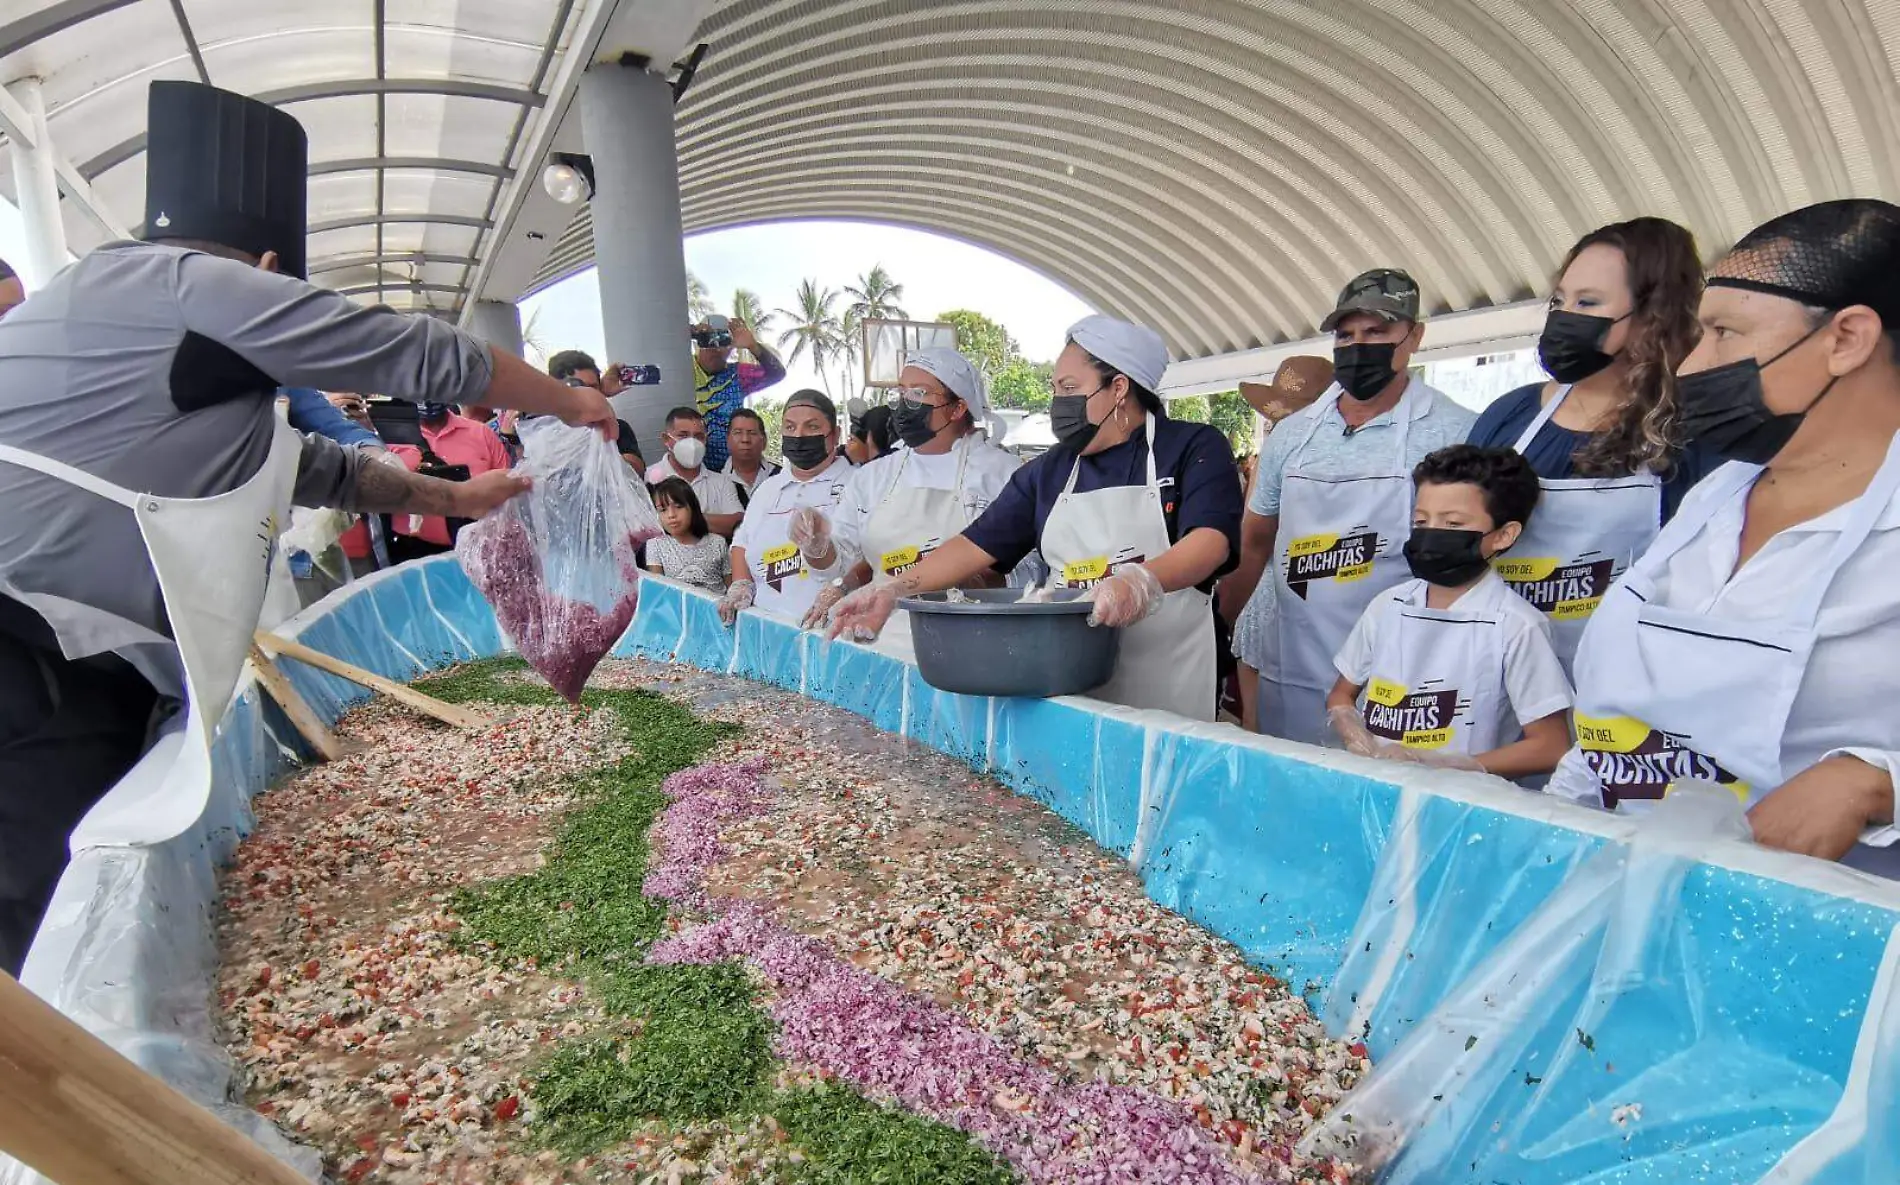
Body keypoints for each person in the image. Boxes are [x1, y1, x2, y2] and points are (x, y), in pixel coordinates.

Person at [0, 80, 615, 974]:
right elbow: (413, 350)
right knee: (22, 910)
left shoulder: (136, 338)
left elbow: (312, 467)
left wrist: (457, 500)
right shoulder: (179, 281)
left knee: (43, 917)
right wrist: (568, 399)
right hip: (30, 656)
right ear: (262, 265)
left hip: (76, 666)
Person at [1549, 199, 1900, 870]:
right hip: (1634, 881)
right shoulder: (1716, 495)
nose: (1689, 365)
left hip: (1838, 928)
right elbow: (1615, 723)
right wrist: (1553, 826)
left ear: (1848, 338)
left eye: (1725, 334)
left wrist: (1876, 780)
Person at [827, 315, 1244, 722]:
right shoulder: (1051, 470)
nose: (1057, 401)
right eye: (1054, 387)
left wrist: (1141, 580)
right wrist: (893, 588)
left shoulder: (1191, 447)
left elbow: (1210, 542)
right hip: (1071, 683)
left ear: (1119, 388)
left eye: (1069, 387)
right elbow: (974, 545)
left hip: (1168, 682)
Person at [1220, 268, 1477, 745]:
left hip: (1399, 678)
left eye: (1377, 332)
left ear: (1414, 336)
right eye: (1347, 335)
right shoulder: (1294, 436)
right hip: (1292, 668)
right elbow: (1254, 541)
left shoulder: (1455, 430)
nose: (1359, 346)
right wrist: (1228, 624)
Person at [1466, 218, 1718, 673]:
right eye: (1559, 301)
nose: (1564, 318)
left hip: (1622, 681)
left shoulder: (1692, 431)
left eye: (1588, 302)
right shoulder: (1512, 416)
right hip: (1499, 672)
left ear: (1650, 316)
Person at [1326, 445, 1572, 782]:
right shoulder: (1388, 605)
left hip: (1462, 803)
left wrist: (1443, 765)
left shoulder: (1516, 625)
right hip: (1375, 784)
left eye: (1453, 523)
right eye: (1421, 521)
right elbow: (1342, 692)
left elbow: (1550, 746)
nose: (1431, 534)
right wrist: (1350, 726)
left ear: (1503, 535)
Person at [803, 348, 1020, 631]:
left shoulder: (1004, 473)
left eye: (919, 393)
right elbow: (843, 562)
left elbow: (1029, 569)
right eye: (902, 392)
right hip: (882, 632)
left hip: (974, 633)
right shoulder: (873, 476)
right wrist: (818, 547)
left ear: (957, 408)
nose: (906, 403)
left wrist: (968, 580)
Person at [1229, 355, 1333, 731]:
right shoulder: (1321, 460)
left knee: (1258, 725)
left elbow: (1252, 531)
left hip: (1269, 593)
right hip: (1298, 598)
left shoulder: (1274, 458)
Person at [722, 390, 852, 624]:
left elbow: (875, 556)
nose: (799, 435)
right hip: (767, 626)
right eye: (790, 427)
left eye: (812, 427)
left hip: (835, 629)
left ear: (835, 435)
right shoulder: (768, 489)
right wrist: (741, 585)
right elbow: (742, 543)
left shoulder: (859, 484)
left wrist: (842, 588)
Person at [386, 399, 515, 561]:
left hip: (479, 550)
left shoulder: (481, 434)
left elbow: (507, 490)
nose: (427, 395)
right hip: (414, 554)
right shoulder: (389, 440)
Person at [694, 316, 786, 472]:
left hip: (733, 472)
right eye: (708, 340)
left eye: (722, 340)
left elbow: (777, 374)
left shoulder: (737, 374)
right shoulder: (681, 369)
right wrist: (689, 331)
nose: (716, 348)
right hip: (694, 473)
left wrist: (753, 346)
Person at [642, 406, 745, 537]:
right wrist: (710, 521)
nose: (692, 443)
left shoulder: (722, 482)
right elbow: (646, 526)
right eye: (683, 435)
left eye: (698, 436)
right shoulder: (649, 478)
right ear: (666, 439)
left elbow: (738, 524)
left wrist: (684, 517)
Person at [550, 348, 644, 472]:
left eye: (593, 387)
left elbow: (635, 472)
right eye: (578, 387)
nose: (588, 394)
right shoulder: (542, 431)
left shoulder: (617, 427)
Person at [647, 477, 732, 593]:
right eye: (663, 510)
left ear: (693, 507)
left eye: (678, 507)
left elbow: (732, 589)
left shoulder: (718, 543)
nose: (671, 515)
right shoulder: (655, 545)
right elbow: (657, 592)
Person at [722, 407, 780, 505]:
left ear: (764, 440)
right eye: (738, 433)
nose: (745, 439)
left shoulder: (781, 476)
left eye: (752, 433)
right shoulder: (716, 479)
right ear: (728, 440)